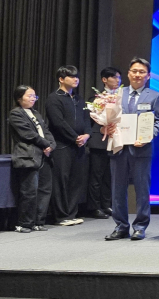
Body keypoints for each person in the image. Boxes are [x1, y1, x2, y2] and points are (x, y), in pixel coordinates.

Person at [106, 57, 159, 241]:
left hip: (141, 149)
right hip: (119, 147)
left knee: (142, 189)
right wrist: (106, 127)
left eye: (142, 72)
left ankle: (140, 226)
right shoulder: (117, 94)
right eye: (134, 71)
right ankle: (121, 226)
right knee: (117, 189)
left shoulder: (154, 96)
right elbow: (108, 118)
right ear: (129, 73)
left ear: (148, 76)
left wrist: (147, 137)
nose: (137, 75)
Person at [45, 65, 91, 227]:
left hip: (79, 146)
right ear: (61, 79)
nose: (76, 79)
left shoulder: (78, 99)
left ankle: (71, 213)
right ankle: (61, 216)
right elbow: (58, 123)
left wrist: (87, 135)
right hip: (62, 145)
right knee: (61, 181)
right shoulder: (54, 98)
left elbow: (86, 119)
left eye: (77, 76)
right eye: (72, 76)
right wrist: (75, 137)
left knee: (76, 180)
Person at [8, 86, 55, 233]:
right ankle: (25, 223)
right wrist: (46, 144)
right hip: (28, 156)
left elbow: (46, 131)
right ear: (19, 98)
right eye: (29, 96)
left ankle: (38, 221)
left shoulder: (36, 113)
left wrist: (51, 145)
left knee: (44, 190)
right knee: (29, 192)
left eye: (35, 96)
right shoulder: (16, 113)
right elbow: (28, 134)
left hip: (44, 156)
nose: (33, 99)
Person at [85, 67, 121, 220]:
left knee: (109, 175)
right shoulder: (96, 99)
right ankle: (94, 207)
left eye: (119, 78)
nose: (118, 80)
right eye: (115, 77)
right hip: (99, 140)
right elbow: (90, 121)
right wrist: (101, 128)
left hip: (115, 139)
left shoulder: (121, 97)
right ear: (105, 79)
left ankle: (107, 204)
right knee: (96, 176)